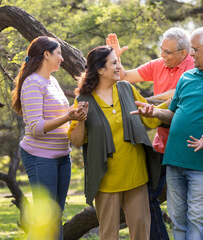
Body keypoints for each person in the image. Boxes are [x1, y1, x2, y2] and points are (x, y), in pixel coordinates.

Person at [131, 25, 203, 240]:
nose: (191, 54)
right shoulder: (187, 78)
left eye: (195, 49)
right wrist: (155, 112)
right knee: (178, 221)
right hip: (175, 159)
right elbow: (173, 115)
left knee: (198, 220)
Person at [106, 27, 194, 240]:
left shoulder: (193, 65)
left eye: (167, 52)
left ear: (183, 53)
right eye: (161, 50)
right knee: (147, 196)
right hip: (162, 144)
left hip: (188, 144)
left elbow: (179, 93)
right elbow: (125, 77)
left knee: (186, 205)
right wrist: (115, 59)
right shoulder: (158, 63)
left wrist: (148, 103)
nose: (162, 55)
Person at [68, 45, 163, 240]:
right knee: (109, 235)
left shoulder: (126, 89)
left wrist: (178, 97)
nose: (119, 67)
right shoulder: (84, 100)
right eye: (114, 63)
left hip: (136, 175)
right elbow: (76, 141)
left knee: (141, 233)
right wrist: (80, 121)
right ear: (100, 70)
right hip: (106, 180)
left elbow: (151, 119)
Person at [11, 36, 87, 240]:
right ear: (46, 55)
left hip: (62, 155)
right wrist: (68, 116)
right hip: (40, 156)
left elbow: (58, 115)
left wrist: (76, 112)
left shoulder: (51, 81)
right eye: (59, 53)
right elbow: (35, 127)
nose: (62, 58)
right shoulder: (32, 83)